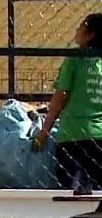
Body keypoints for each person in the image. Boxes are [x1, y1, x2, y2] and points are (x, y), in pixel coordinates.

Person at [34, 13, 102, 191]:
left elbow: (60, 97)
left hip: (72, 135)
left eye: (82, 27)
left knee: (70, 194)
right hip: (100, 137)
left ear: (91, 35)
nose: (77, 30)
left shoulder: (74, 59)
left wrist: (45, 130)